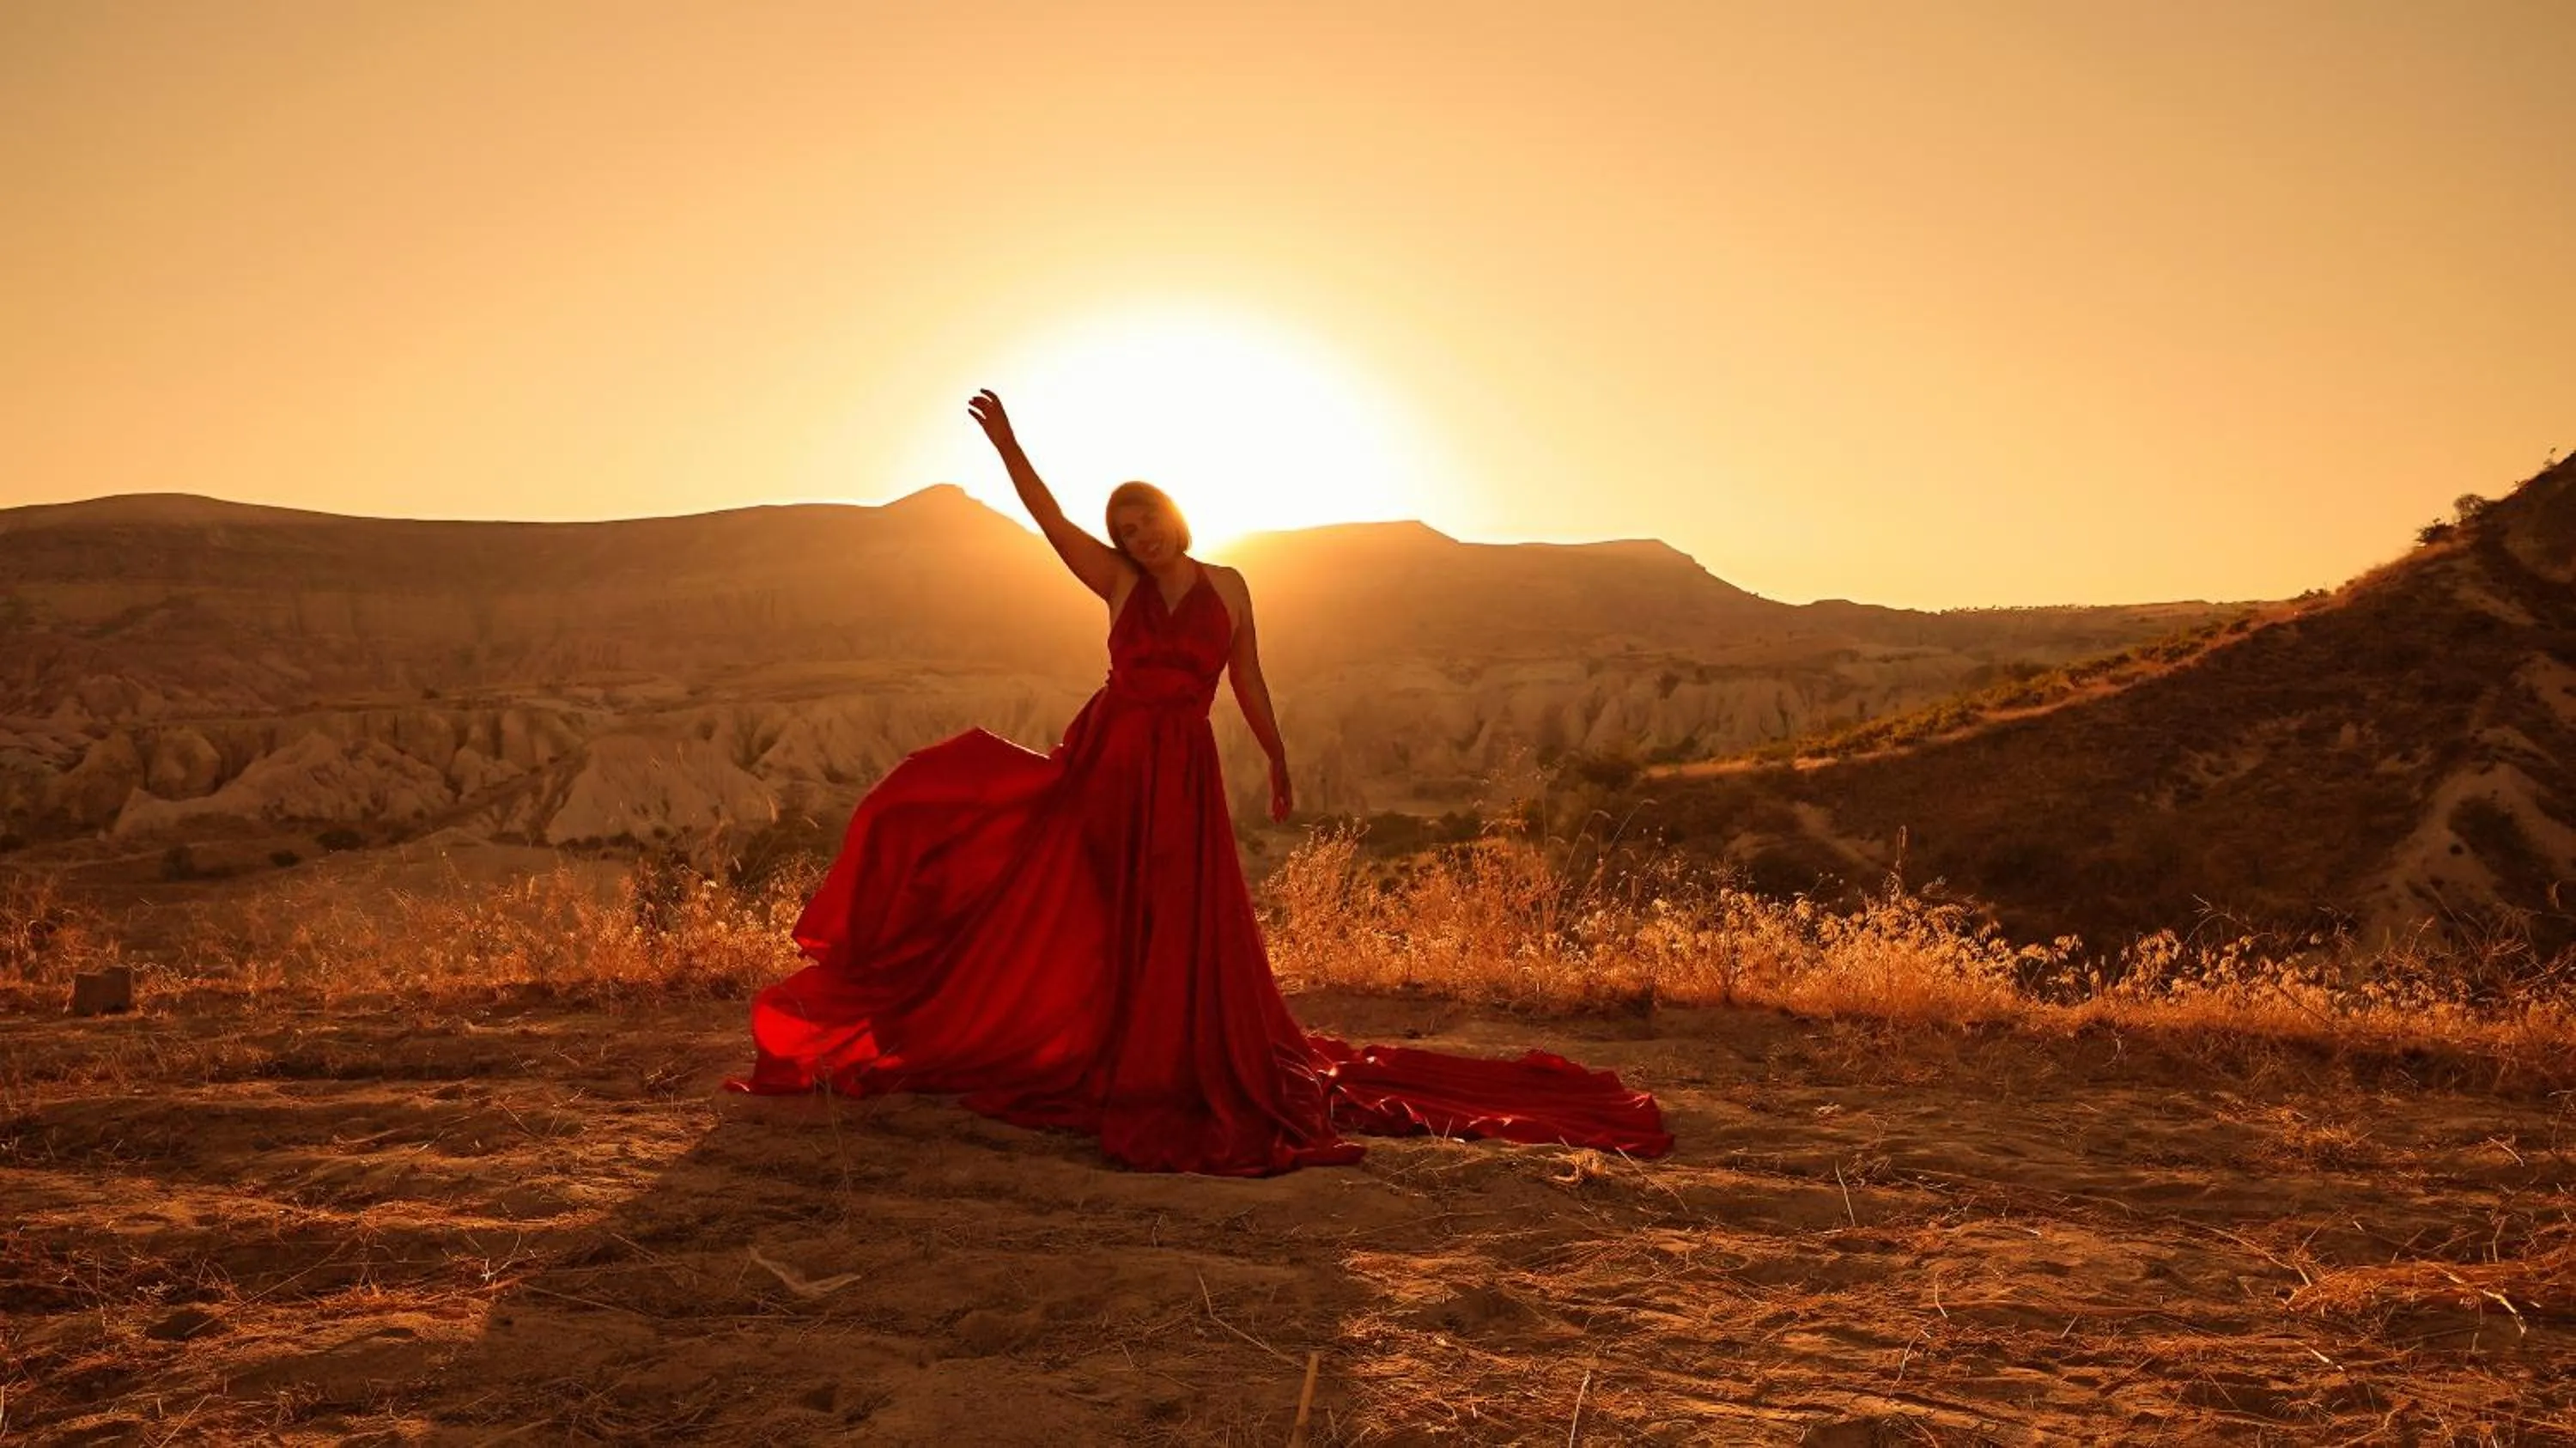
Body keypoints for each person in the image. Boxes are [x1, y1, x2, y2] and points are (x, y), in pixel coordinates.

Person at [727, 390, 1670, 1175]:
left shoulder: (1230, 583)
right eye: (1121, 529)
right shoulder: (1117, 587)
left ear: (1171, 518)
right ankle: (1100, 1047)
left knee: (1183, 912)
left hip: (1185, 765)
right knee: (1105, 907)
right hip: (1111, 761)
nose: (1132, 537)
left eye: (1142, 522)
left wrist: (1277, 754)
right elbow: (1048, 520)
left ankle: (1168, 1052)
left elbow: (1249, 677)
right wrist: (1011, 447)